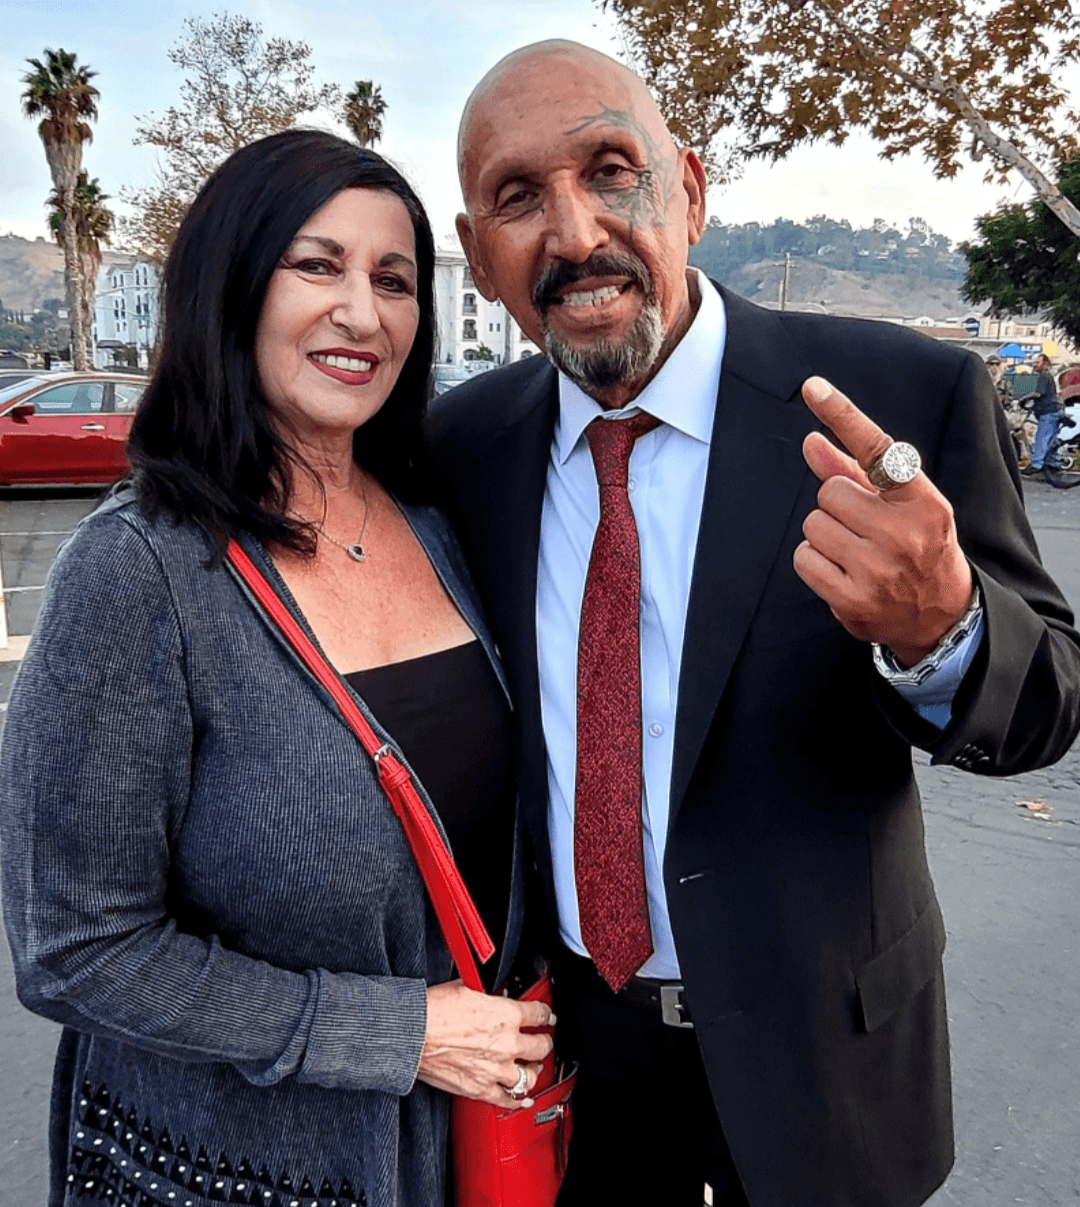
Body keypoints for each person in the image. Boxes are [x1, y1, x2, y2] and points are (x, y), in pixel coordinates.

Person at [427, 40, 1080, 1207]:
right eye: (518, 198)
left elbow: (1047, 708)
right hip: (580, 1060)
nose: (575, 234)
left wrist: (945, 630)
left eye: (610, 169)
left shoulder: (899, 398)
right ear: (478, 257)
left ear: (690, 187)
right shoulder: (464, 447)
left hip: (830, 1061)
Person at [0, 130, 553, 1207]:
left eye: (394, 280)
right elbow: (75, 951)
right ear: (232, 287)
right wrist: (393, 1032)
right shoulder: (139, 570)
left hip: (469, 1153)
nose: (364, 311)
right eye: (317, 265)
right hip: (240, 1170)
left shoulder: (437, 524)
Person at [1021, 352, 1063, 474]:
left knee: (1042, 437)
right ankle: (1053, 463)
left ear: (1044, 365)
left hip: (1048, 411)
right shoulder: (1049, 376)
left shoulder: (1043, 376)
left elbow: (1038, 394)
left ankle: (1036, 465)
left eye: (1037, 362)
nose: (1035, 365)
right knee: (1052, 438)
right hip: (1057, 409)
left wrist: (1024, 399)